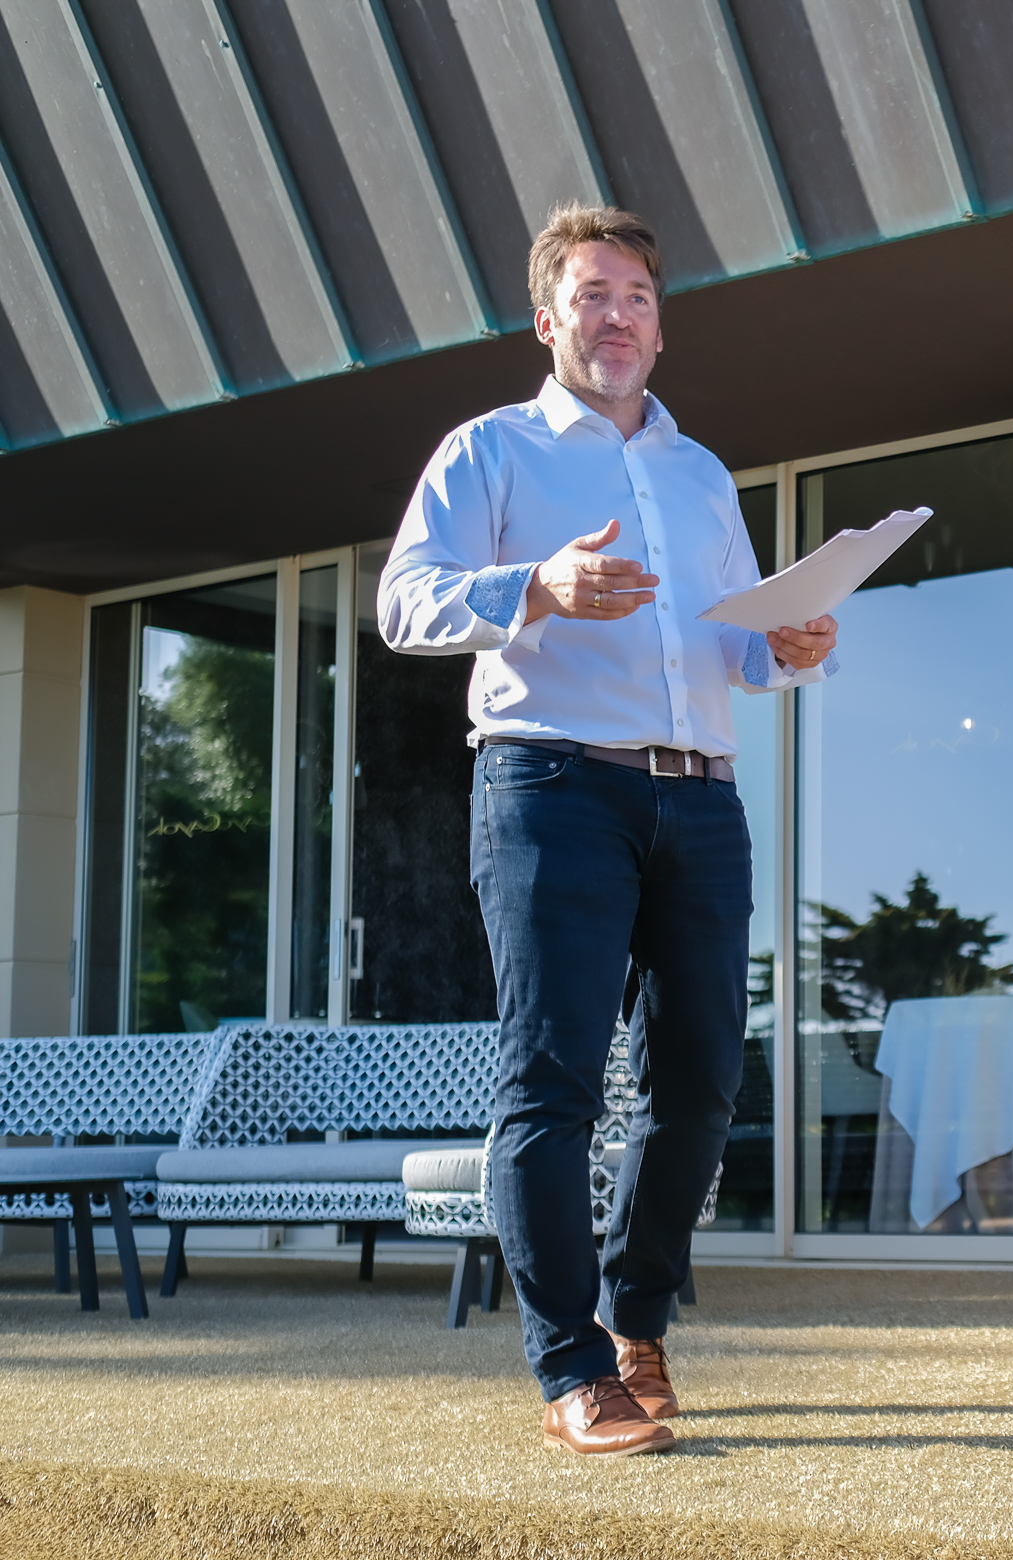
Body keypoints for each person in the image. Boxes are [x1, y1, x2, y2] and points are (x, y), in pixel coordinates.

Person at [382, 204, 835, 1457]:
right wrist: (536, 586)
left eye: (636, 296)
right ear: (548, 319)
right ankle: (570, 1365)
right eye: (592, 295)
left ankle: (638, 1323)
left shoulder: (700, 474)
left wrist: (791, 644)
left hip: (701, 796)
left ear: (659, 324)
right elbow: (405, 603)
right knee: (555, 1078)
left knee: (702, 1080)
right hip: (551, 785)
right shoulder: (490, 450)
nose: (618, 316)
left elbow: (734, 643)